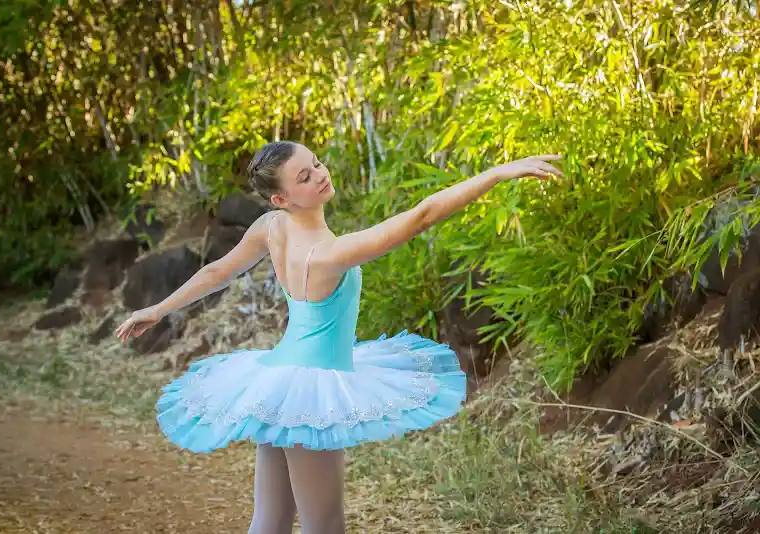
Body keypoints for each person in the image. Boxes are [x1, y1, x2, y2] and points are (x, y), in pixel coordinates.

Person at [115, 141, 562, 534]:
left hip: (279, 379)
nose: (320, 176)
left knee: (270, 521)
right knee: (324, 525)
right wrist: (498, 172)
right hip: (311, 390)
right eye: (304, 177)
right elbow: (421, 216)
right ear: (281, 197)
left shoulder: (273, 228)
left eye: (317, 164)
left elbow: (218, 272)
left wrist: (158, 309)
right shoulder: (328, 253)